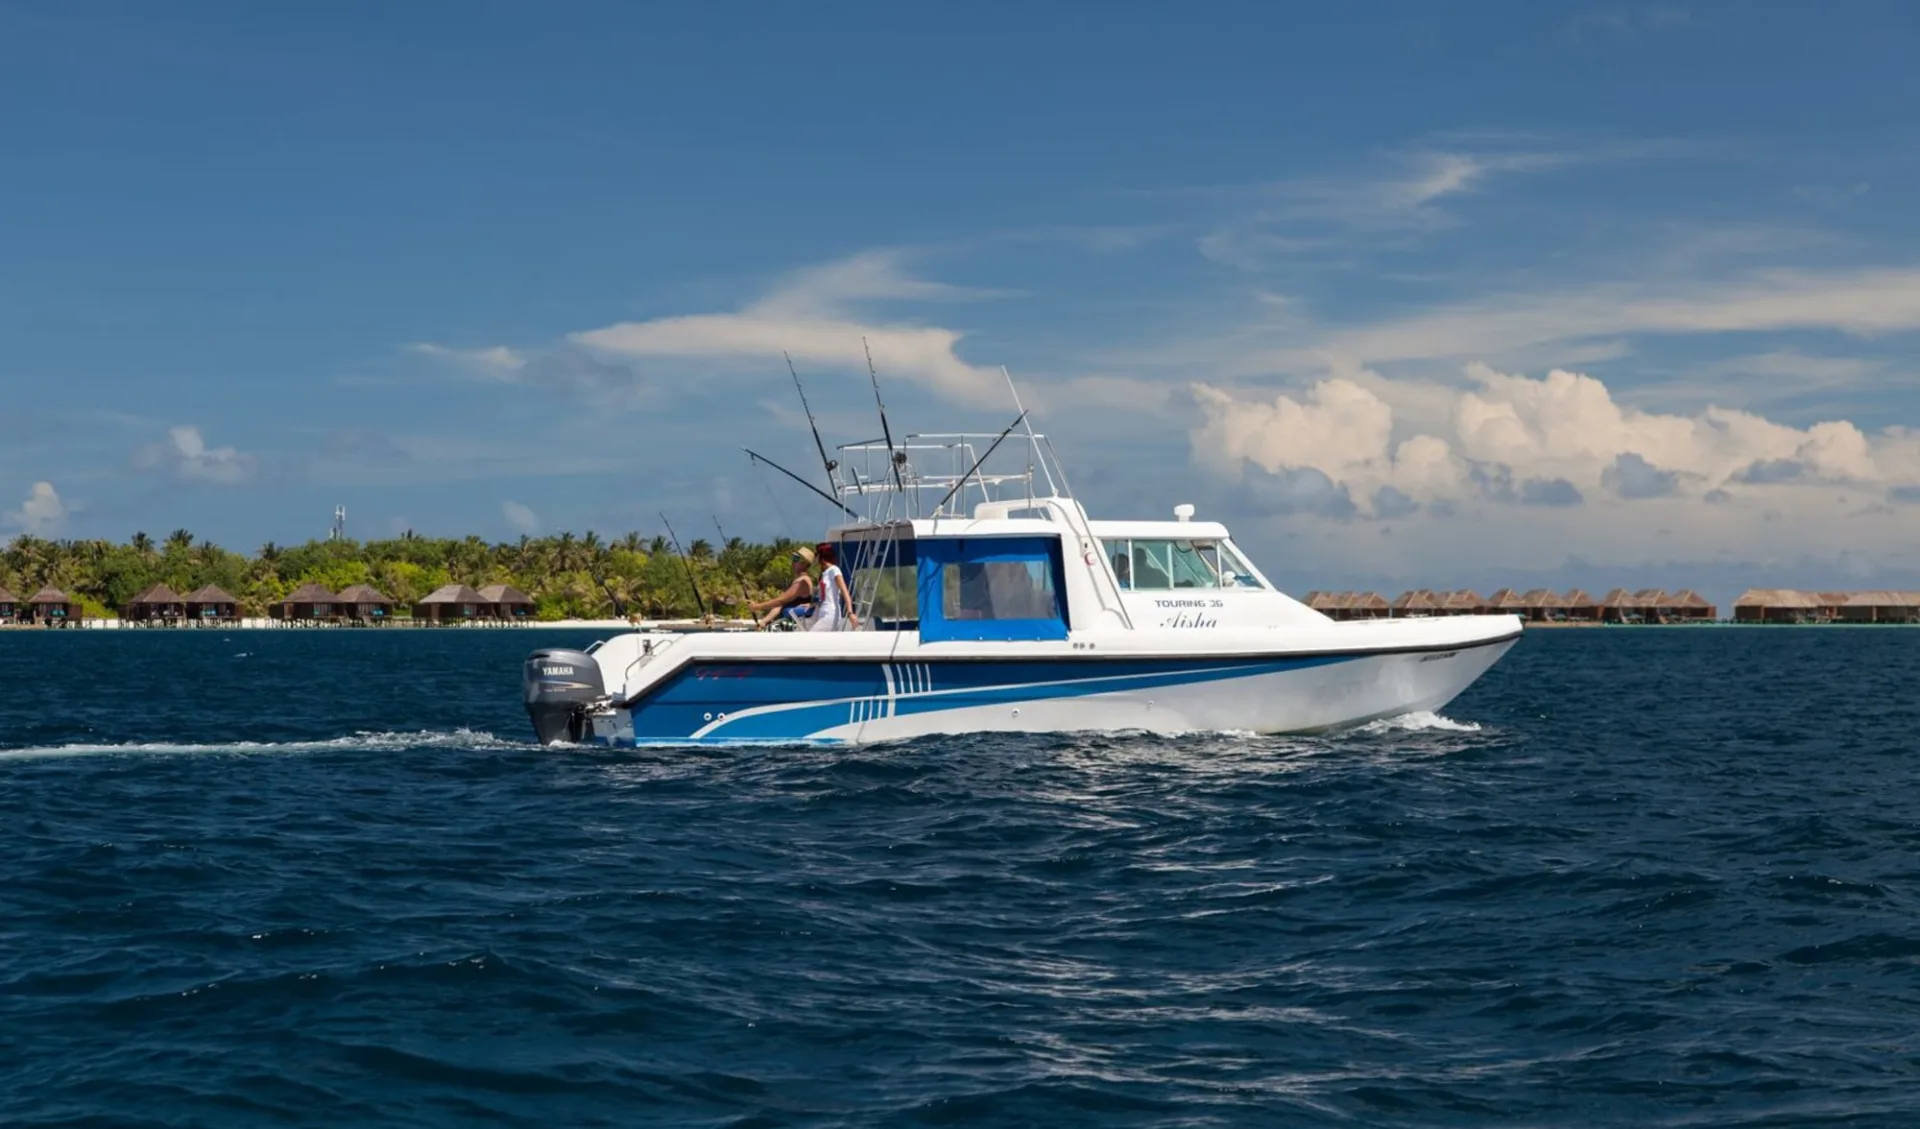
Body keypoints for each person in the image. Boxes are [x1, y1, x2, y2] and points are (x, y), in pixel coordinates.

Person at [749, 545, 817, 629]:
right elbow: (780, 603)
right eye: (793, 558)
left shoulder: (802, 582)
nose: (792, 562)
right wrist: (764, 622)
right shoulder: (800, 580)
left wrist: (757, 607)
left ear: (804, 564)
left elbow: (780, 601)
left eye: (796, 559)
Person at [808, 542, 858, 632]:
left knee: (811, 639)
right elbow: (823, 597)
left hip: (830, 614)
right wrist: (810, 605)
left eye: (816, 554)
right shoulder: (824, 574)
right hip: (823, 613)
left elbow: (844, 591)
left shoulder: (834, 570)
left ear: (821, 556)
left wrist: (850, 612)